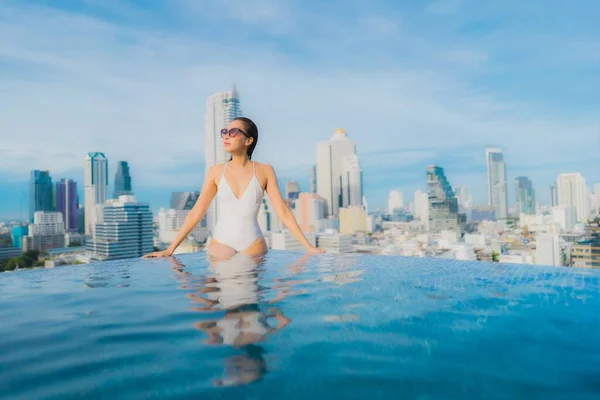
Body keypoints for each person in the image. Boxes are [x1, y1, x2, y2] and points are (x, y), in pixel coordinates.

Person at [143, 117, 324, 259]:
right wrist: (170, 249)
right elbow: (196, 212)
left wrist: (308, 247)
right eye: (225, 132)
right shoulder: (216, 171)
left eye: (233, 131)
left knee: (251, 302)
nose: (227, 136)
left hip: (254, 244)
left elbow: (283, 211)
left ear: (248, 140)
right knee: (226, 300)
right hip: (221, 242)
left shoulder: (265, 170)